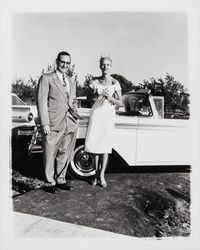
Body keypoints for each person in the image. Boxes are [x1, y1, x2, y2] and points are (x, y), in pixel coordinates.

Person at [37, 51, 80, 193]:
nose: (65, 65)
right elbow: (41, 102)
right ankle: (49, 182)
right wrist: (45, 123)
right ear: (57, 61)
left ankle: (61, 179)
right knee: (50, 153)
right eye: (62, 62)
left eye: (68, 63)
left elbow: (72, 101)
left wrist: (75, 116)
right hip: (53, 122)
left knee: (64, 152)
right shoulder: (47, 78)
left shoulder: (71, 80)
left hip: (69, 122)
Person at [84, 56, 122, 187]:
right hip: (97, 114)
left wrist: (110, 97)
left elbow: (120, 102)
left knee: (105, 146)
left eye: (107, 65)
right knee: (95, 145)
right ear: (100, 66)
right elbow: (88, 97)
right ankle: (95, 174)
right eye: (103, 64)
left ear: (111, 66)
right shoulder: (94, 81)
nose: (105, 67)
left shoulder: (114, 82)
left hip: (108, 114)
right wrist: (96, 94)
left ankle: (101, 175)